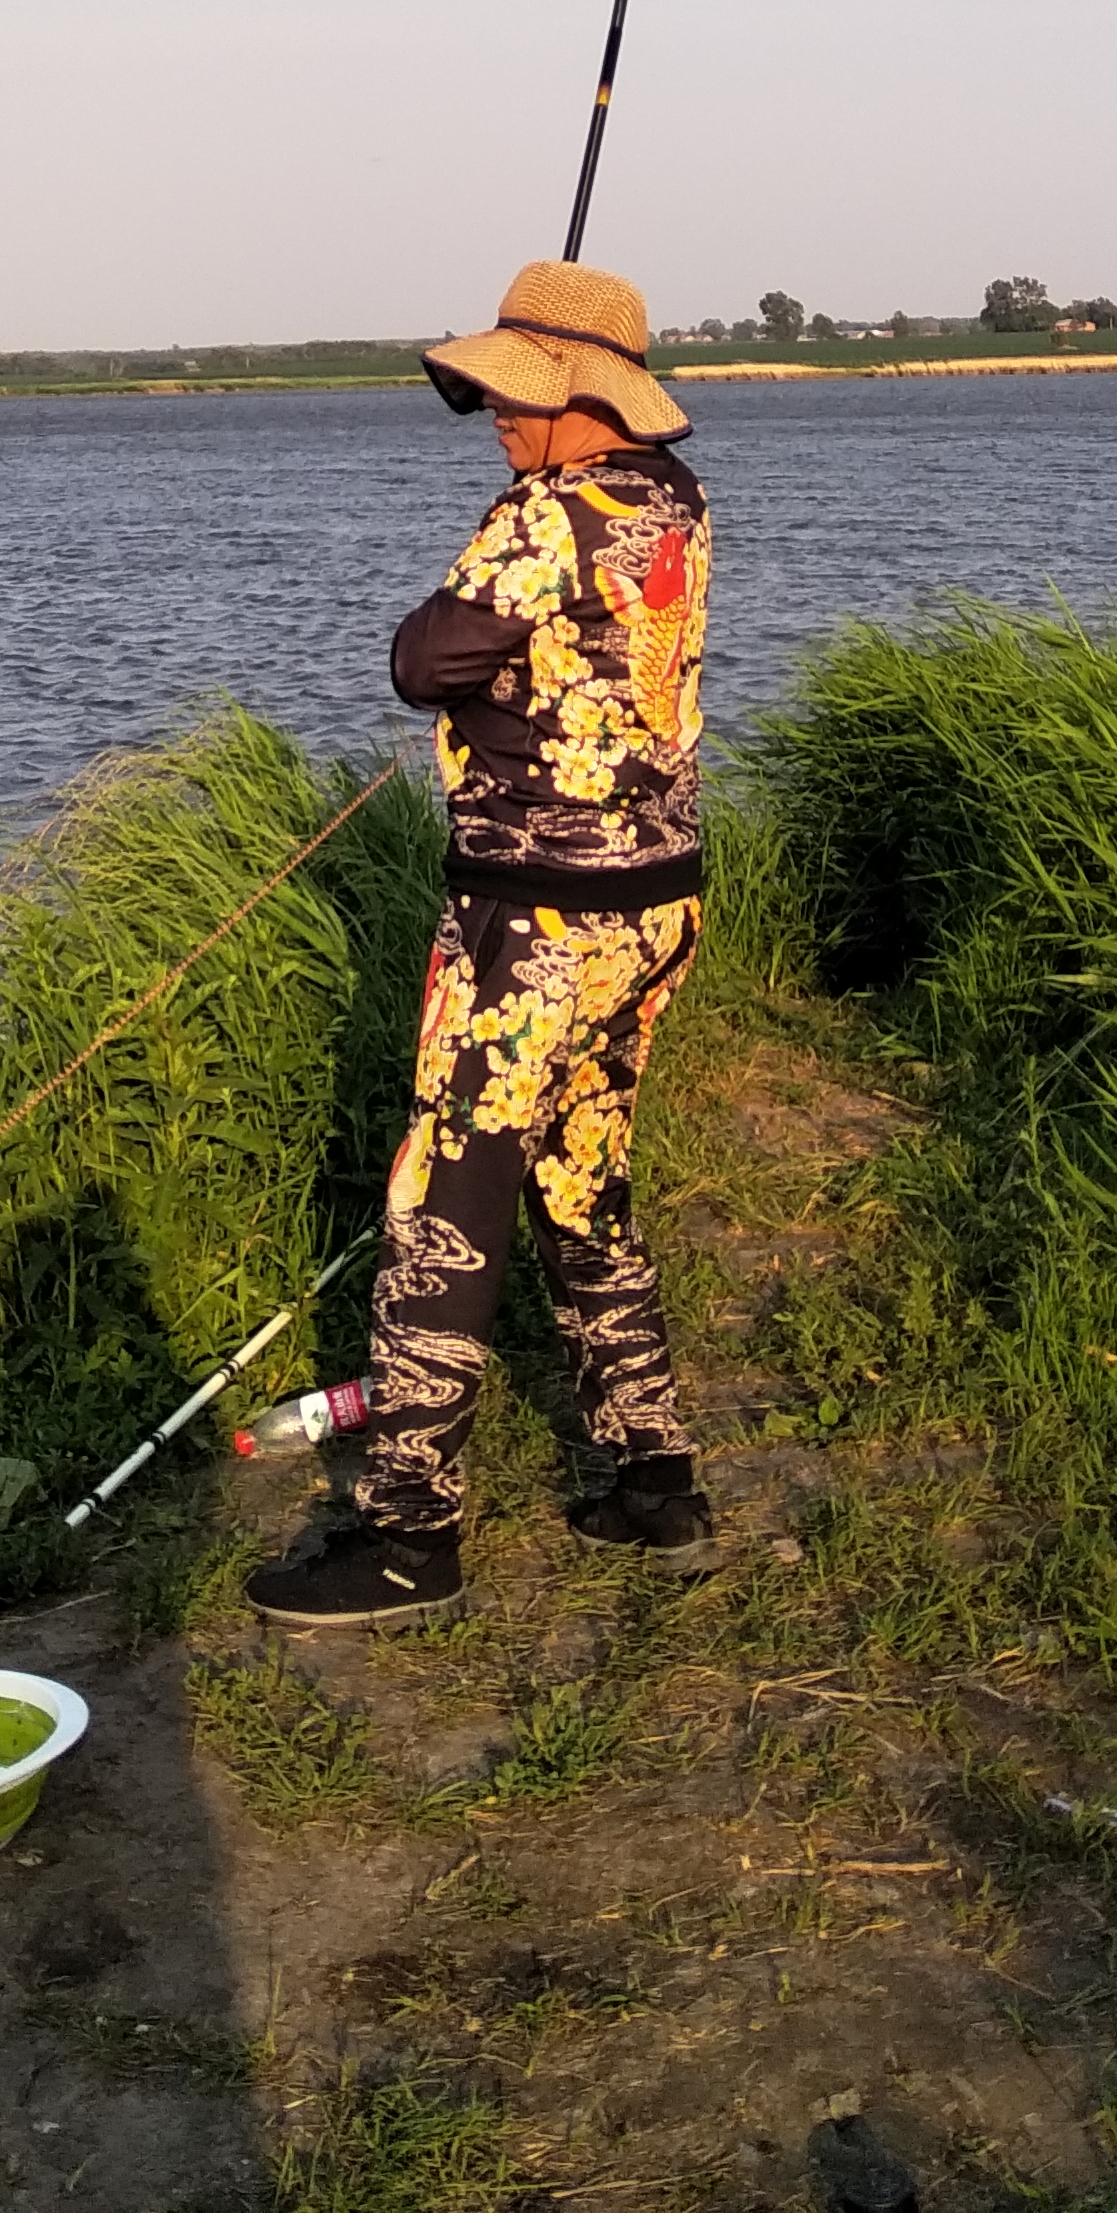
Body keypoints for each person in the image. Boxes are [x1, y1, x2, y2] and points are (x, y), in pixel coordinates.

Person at [248, 258, 717, 1631]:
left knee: (443, 1205)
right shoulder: (674, 499)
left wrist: (511, 524)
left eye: (522, 393)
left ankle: (408, 1534)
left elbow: (422, 661)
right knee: (581, 1179)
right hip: (660, 900)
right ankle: (654, 1476)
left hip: (534, 918)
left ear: (588, 397)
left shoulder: (542, 516)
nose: (498, 415)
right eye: (492, 394)